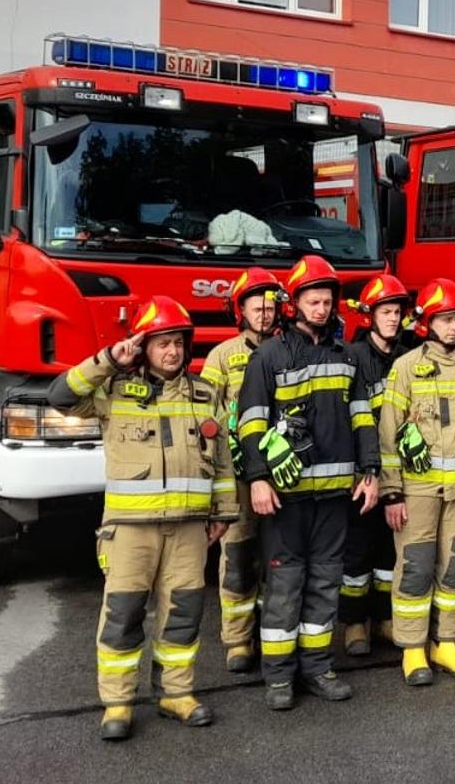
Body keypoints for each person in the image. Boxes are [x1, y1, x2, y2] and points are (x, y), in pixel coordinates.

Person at [49, 295, 223, 741]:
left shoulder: (206, 395)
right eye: (162, 343)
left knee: (183, 614)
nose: (172, 352)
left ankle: (177, 694)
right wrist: (108, 359)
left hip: (188, 528)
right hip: (130, 532)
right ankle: (118, 704)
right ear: (143, 347)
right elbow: (60, 396)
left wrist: (224, 512)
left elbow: (221, 459)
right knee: (123, 616)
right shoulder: (113, 392)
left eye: (178, 343)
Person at [236, 255, 379, 711]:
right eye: (312, 301)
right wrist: (258, 479)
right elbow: (251, 423)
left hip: (335, 495)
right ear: (292, 304)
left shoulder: (346, 356)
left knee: (324, 583)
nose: (321, 308)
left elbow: (363, 420)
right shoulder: (268, 356)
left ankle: (318, 667)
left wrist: (370, 472)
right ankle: (279, 677)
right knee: (285, 586)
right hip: (285, 498)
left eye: (326, 300)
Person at [377, 278, 455, 685]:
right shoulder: (405, 367)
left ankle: (445, 643)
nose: (453, 327)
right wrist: (391, 492)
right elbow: (388, 434)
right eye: (444, 319)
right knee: (415, 569)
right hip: (418, 491)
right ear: (427, 322)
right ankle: (412, 649)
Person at [198, 267, 281, 674]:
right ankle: (237, 640)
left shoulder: (286, 348)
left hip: (281, 469)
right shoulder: (222, 357)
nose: (264, 313)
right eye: (256, 306)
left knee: (276, 557)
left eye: (269, 306)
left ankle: (273, 632)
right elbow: (208, 415)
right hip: (238, 472)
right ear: (241, 310)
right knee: (238, 555)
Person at [340, 275, 414, 656]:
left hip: (401, 471)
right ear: (369, 315)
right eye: (385, 312)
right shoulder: (351, 357)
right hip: (363, 472)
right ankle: (355, 623)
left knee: (390, 552)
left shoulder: (408, 356)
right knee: (358, 552)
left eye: (397, 312)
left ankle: (385, 619)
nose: (392, 319)